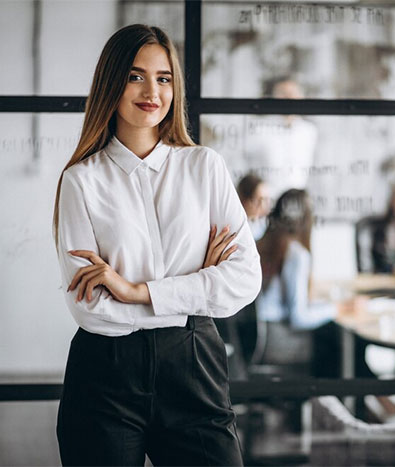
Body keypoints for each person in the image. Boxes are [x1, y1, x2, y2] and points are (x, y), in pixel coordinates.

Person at [52, 25, 261, 466]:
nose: (152, 90)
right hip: (105, 375)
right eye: (135, 76)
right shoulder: (81, 181)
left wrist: (134, 291)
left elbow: (244, 280)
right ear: (112, 82)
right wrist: (194, 287)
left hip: (194, 365)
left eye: (164, 77)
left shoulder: (204, 167)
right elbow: (90, 309)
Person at [254, 189, 395, 420]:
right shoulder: (296, 254)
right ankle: (365, 412)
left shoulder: (263, 243)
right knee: (343, 341)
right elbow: (298, 317)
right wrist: (340, 308)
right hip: (276, 342)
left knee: (337, 339)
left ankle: (370, 409)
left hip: (257, 338)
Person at [237, 172, 271, 241]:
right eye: (257, 200)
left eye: (266, 199)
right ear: (243, 200)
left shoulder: (268, 227)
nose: (262, 205)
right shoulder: (236, 229)